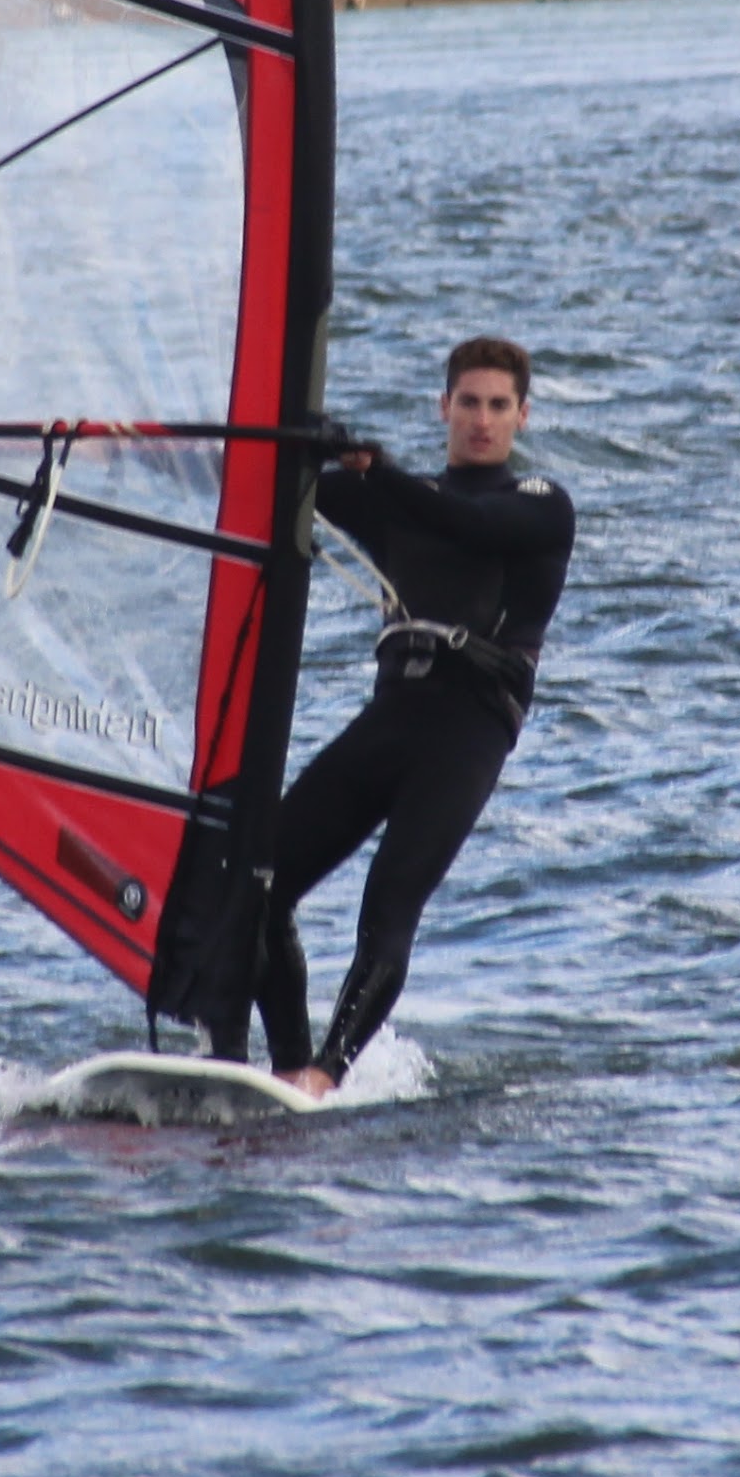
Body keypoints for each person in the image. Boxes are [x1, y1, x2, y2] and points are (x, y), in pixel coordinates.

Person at [244, 335, 575, 1099]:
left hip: (468, 727)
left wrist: (377, 471)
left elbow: (470, 528)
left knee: (389, 900)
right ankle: (289, 1069)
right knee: (256, 884)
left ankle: (330, 1071)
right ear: (444, 407)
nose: (482, 420)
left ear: (522, 415)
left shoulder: (540, 505)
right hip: (393, 714)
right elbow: (262, 475)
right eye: (468, 402)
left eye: (498, 405)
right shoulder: (399, 496)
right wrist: (129, 450)